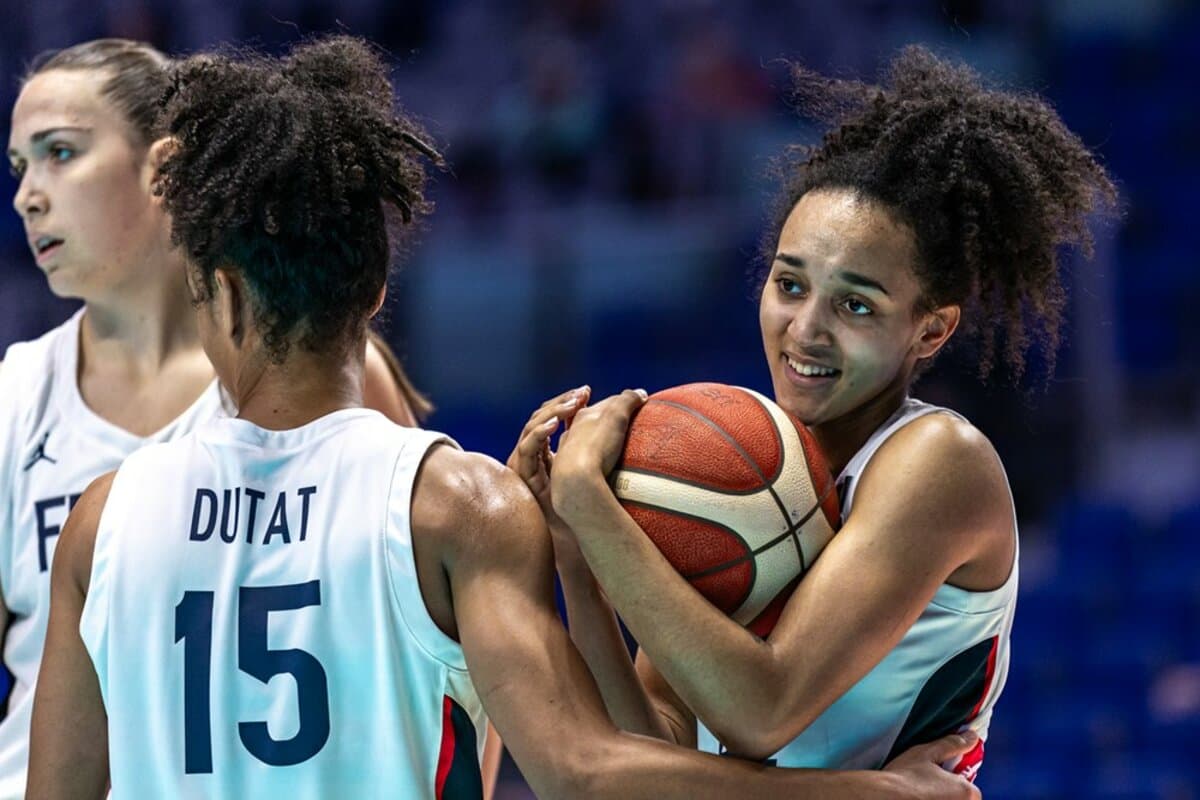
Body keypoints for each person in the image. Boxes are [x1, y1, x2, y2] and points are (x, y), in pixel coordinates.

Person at [27, 37, 980, 799]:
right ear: (375, 291)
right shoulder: (457, 504)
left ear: (218, 295)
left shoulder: (101, 519)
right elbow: (586, 770)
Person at [511, 45, 1116, 778]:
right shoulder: (742, 457)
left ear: (932, 330)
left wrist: (590, 501)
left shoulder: (937, 461)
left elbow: (763, 710)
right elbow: (655, 757)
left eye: (856, 305)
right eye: (790, 285)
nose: (805, 330)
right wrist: (576, 551)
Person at [1, 38, 432, 800]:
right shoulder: (15, 395)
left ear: (166, 168)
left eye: (60, 153)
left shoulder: (322, 370)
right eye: (20, 167)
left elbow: (433, 659)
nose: (28, 196)